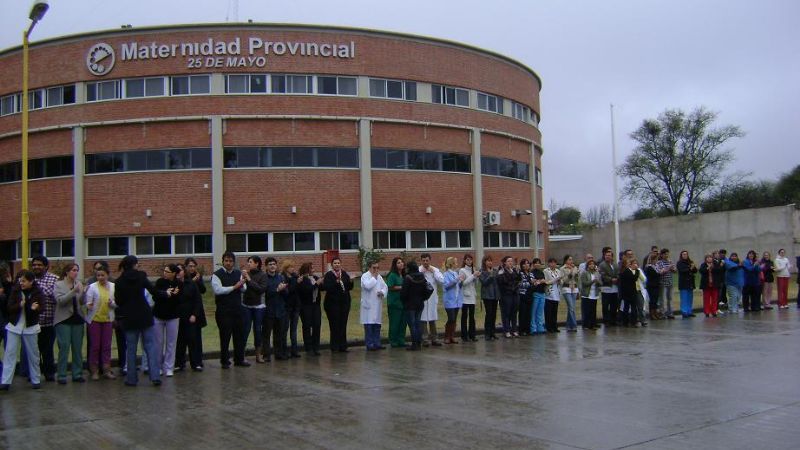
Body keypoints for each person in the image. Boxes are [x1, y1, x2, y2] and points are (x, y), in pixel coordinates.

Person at [114, 255, 167, 386]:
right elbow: (153, 290)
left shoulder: (119, 281)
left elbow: (119, 301)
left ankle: (131, 378)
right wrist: (165, 293)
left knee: (131, 348)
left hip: (129, 317)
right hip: (144, 314)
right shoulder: (141, 276)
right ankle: (155, 376)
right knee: (150, 346)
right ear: (134, 264)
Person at [0, 271, 44, 390]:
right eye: (20, 280)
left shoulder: (37, 291)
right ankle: (5, 381)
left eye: (24, 281)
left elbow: (41, 306)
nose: (21, 283)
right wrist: (19, 305)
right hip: (14, 326)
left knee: (33, 354)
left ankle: (35, 379)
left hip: (30, 327)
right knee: (10, 353)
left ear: (31, 281)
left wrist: (35, 308)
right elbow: (9, 307)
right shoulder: (16, 290)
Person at [212, 251, 250, 369]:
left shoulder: (238, 273)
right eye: (226, 261)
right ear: (223, 261)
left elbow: (243, 289)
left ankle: (239, 359)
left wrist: (243, 282)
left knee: (239, 335)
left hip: (237, 309)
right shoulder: (216, 275)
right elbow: (218, 290)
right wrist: (234, 287)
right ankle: (225, 361)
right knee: (225, 336)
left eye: (231, 261)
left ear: (234, 262)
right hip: (223, 311)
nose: (228, 263)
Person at [53, 263, 86, 384]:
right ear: (67, 272)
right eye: (73, 270)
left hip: (77, 319)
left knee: (77, 348)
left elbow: (82, 302)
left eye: (77, 270)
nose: (75, 272)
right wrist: (73, 291)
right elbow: (60, 301)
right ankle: (62, 375)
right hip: (63, 320)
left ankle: (77, 373)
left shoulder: (79, 284)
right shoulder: (58, 284)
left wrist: (84, 293)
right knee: (64, 347)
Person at [84, 266, 117, 379]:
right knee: (95, 346)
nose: (100, 277)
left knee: (106, 346)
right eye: (98, 275)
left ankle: (107, 369)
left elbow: (117, 303)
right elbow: (87, 302)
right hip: (94, 320)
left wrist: (111, 303)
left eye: (103, 275)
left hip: (108, 319)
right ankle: (94, 371)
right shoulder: (92, 287)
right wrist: (89, 305)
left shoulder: (113, 286)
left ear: (107, 275)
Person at [31, 255, 59, 382]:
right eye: (34, 265)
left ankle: (49, 373)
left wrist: (38, 288)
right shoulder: (28, 278)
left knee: (47, 350)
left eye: (39, 265)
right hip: (32, 322)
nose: (36, 267)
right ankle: (34, 374)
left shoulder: (54, 279)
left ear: (46, 266)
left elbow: (56, 297)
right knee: (33, 350)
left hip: (49, 322)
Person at [153, 264, 183, 377]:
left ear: (174, 273)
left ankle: (169, 367)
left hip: (173, 316)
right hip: (158, 315)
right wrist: (166, 293)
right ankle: (158, 366)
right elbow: (155, 296)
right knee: (158, 343)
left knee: (171, 343)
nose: (165, 273)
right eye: (164, 271)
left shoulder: (179, 284)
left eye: (167, 271)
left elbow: (180, 300)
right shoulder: (159, 282)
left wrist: (175, 295)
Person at [175, 263, 206, 372]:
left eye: (180, 270)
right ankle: (179, 363)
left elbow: (197, 301)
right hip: (177, 318)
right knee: (179, 341)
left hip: (190, 317)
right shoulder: (173, 285)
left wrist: (194, 314)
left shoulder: (191, 284)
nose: (178, 273)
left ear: (184, 271)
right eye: (176, 271)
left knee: (193, 340)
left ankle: (196, 363)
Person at [323, 257, 353, 353]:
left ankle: (342, 346)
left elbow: (348, 287)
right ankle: (334, 346)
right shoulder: (329, 275)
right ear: (332, 265)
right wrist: (335, 283)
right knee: (334, 325)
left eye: (338, 263)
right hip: (332, 304)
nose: (337, 265)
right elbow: (327, 287)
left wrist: (351, 281)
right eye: (335, 263)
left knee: (343, 325)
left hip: (344, 303)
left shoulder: (344, 274)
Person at [241, 256, 268, 363]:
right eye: (248, 262)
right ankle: (241, 355)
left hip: (258, 307)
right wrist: (243, 279)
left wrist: (249, 279)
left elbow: (261, 289)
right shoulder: (246, 274)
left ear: (257, 263)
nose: (249, 264)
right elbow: (242, 288)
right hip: (246, 306)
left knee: (257, 330)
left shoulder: (263, 275)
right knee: (245, 330)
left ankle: (258, 355)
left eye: (251, 262)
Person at [400, 262, 432, 351]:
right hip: (420, 303)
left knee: (412, 325)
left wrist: (404, 301)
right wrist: (423, 298)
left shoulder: (408, 278)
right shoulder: (422, 277)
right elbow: (427, 289)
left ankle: (414, 344)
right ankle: (418, 343)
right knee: (418, 323)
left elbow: (403, 293)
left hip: (410, 304)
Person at [263, 257, 289, 360]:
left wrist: (283, 289)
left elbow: (286, 294)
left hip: (280, 310)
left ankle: (279, 354)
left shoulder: (280, 277)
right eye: (270, 264)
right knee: (266, 334)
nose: (272, 266)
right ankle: (266, 355)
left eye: (274, 264)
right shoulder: (264, 278)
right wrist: (277, 290)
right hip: (268, 311)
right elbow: (265, 293)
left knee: (279, 333)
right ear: (266, 266)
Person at [360, 261, 388, 351]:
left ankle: (377, 343)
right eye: (374, 268)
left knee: (377, 325)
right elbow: (367, 286)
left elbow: (385, 287)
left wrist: (382, 292)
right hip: (368, 305)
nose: (376, 270)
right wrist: (374, 278)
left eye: (377, 268)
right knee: (369, 325)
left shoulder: (379, 277)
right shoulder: (365, 276)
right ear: (369, 267)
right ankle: (370, 344)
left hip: (377, 304)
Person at [297, 262, 323, 355]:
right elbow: (306, 290)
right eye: (311, 268)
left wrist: (321, 283)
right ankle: (308, 348)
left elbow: (322, 287)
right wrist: (316, 284)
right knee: (307, 326)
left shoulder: (315, 278)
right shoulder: (302, 279)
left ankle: (316, 347)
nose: (313, 270)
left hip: (315, 305)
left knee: (317, 325)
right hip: (306, 306)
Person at [418, 253, 444, 346]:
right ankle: (424, 339)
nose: (425, 262)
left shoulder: (435, 269)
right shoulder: (419, 270)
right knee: (423, 319)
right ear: (421, 261)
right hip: (423, 298)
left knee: (433, 318)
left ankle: (435, 338)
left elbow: (442, 281)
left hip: (432, 298)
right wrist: (422, 273)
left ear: (430, 260)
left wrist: (433, 272)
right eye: (423, 260)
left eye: (427, 260)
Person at [281, 260, 302, 358]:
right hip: (286, 306)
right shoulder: (283, 277)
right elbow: (288, 291)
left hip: (295, 306)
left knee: (293, 329)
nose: (293, 269)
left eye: (293, 267)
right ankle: (284, 350)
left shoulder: (295, 276)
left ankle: (294, 350)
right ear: (286, 268)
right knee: (285, 329)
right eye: (291, 267)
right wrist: (296, 283)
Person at [619, 257, 647, 327]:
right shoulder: (626, 271)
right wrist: (637, 271)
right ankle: (628, 322)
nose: (634, 265)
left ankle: (634, 321)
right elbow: (633, 278)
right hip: (629, 293)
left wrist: (637, 271)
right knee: (628, 307)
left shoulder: (628, 271)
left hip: (633, 292)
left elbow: (643, 279)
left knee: (635, 307)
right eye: (630, 263)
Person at [441, 256, 464, 344]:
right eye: (455, 262)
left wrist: (461, 281)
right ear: (451, 264)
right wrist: (456, 280)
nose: (457, 264)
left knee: (454, 319)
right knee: (451, 318)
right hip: (449, 300)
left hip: (456, 299)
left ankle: (452, 336)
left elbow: (458, 286)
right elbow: (446, 286)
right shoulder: (446, 274)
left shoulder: (455, 273)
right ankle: (446, 336)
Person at [386, 257, 407, 348]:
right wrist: (401, 287)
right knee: (395, 323)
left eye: (402, 262)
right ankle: (393, 340)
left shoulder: (404, 275)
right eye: (398, 263)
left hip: (404, 303)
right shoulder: (392, 275)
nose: (401, 264)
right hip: (394, 303)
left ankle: (401, 340)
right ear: (395, 265)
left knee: (403, 323)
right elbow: (390, 287)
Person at [496, 256, 520, 338]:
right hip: (506, 295)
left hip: (514, 294)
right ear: (504, 263)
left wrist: (516, 271)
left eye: (511, 261)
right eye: (508, 261)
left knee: (514, 312)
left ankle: (514, 329)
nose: (510, 263)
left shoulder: (514, 271)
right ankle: (506, 330)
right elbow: (502, 282)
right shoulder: (501, 271)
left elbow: (518, 280)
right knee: (506, 313)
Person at [458, 255, 480, 342]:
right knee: (464, 316)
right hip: (465, 296)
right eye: (467, 260)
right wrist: (473, 276)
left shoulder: (473, 270)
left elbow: (475, 284)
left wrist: (476, 277)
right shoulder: (462, 270)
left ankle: (472, 335)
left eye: (471, 260)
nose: (469, 261)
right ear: (464, 261)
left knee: (472, 316)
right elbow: (463, 283)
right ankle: (464, 335)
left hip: (472, 296)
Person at [478, 256, 499, 340]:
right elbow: (484, 282)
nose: (490, 262)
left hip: (495, 295)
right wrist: (490, 275)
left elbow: (496, 283)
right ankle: (487, 333)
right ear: (484, 262)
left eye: (491, 261)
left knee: (494, 314)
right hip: (487, 296)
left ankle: (492, 332)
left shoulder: (495, 271)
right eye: (488, 261)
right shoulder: (482, 271)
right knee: (489, 314)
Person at [598, 250, 620, 326]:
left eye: (609, 255)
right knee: (606, 305)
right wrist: (611, 279)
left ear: (612, 256)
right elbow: (603, 275)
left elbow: (618, 272)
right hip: (606, 288)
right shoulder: (602, 265)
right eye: (606, 255)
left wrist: (617, 278)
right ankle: (606, 320)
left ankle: (613, 320)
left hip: (614, 288)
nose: (607, 256)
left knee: (614, 305)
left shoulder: (615, 264)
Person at [579, 259, 601, 330]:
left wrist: (598, 282)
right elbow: (584, 283)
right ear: (587, 265)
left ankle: (593, 324)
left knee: (593, 310)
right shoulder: (585, 273)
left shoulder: (596, 273)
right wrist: (592, 281)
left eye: (593, 264)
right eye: (590, 264)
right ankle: (586, 325)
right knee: (587, 310)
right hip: (587, 294)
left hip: (594, 294)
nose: (592, 265)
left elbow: (601, 283)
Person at [655, 249, 677, 319]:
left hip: (670, 282)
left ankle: (670, 312)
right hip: (663, 283)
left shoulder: (670, 261)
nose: (666, 255)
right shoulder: (659, 263)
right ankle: (662, 313)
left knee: (670, 298)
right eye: (665, 254)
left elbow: (675, 271)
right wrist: (668, 268)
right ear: (662, 255)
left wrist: (673, 268)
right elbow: (660, 272)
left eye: (667, 254)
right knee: (663, 299)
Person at [560, 255, 580, 331]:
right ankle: (574, 325)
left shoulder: (575, 268)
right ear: (565, 261)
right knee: (571, 307)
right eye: (569, 259)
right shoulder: (562, 268)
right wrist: (570, 274)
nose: (571, 261)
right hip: (566, 288)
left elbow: (577, 279)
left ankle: (568, 325)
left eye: (571, 259)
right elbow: (562, 280)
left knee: (571, 308)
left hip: (574, 288)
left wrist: (577, 273)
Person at [676, 250, 698, 318]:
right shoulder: (679, 263)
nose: (685, 255)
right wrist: (690, 268)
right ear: (681, 255)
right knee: (684, 298)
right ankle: (684, 312)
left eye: (686, 254)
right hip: (683, 282)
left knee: (690, 298)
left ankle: (689, 311)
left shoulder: (690, 262)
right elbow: (683, 271)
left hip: (690, 282)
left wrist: (693, 267)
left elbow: (695, 271)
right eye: (683, 254)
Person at [543, 258, 562, 333]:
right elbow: (547, 282)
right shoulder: (546, 271)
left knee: (555, 311)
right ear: (549, 263)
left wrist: (560, 280)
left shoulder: (558, 271)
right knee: (549, 311)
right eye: (551, 263)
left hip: (557, 291)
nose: (553, 264)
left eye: (554, 263)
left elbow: (561, 281)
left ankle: (554, 326)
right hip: (550, 292)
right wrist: (556, 279)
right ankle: (549, 327)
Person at [530, 258, 547, 334]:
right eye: (536, 263)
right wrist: (540, 281)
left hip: (542, 293)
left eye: (539, 263)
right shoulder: (532, 273)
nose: (537, 264)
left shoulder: (541, 272)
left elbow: (544, 281)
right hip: (535, 293)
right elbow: (533, 282)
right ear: (533, 264)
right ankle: (533, 327)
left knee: (540, 311)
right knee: (534, 311)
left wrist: (542, 281)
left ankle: (540, 326)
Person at [516, 259, 533, 336]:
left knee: (528, 313)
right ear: (522, 265)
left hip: (530, 295)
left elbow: (534, 283)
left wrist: (532, 283)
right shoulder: (520, 273)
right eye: (524, 264)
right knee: (522, 313)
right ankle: (521, 330)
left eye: (528, 263)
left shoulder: (530, 274)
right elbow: (520, 284)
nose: (526, 265)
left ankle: (527, 329)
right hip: (522, 295)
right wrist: (530, 283)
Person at [644, 253, 662, 320]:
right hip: (651, 285)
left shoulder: (656, 266)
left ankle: (655, 312)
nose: (656, 261)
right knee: (652, 300)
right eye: (655, 259)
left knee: (656, 299)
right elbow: (654, 275)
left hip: (656, 285)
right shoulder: (649, 267)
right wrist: (660, 272)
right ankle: (652, 313)